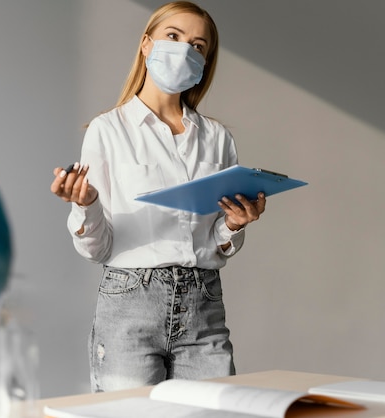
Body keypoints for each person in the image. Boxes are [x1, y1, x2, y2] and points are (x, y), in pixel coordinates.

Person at [51, 1, 266, 392]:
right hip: (131, 301)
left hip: (204, 304)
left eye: (198, 45)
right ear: (147, 44)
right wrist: (86, 204)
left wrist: (234, 223)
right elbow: (97, 249)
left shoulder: (217, 138)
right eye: (174, 36)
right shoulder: (107, 130)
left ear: (206, 60)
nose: (186, 50)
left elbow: (217, 242)